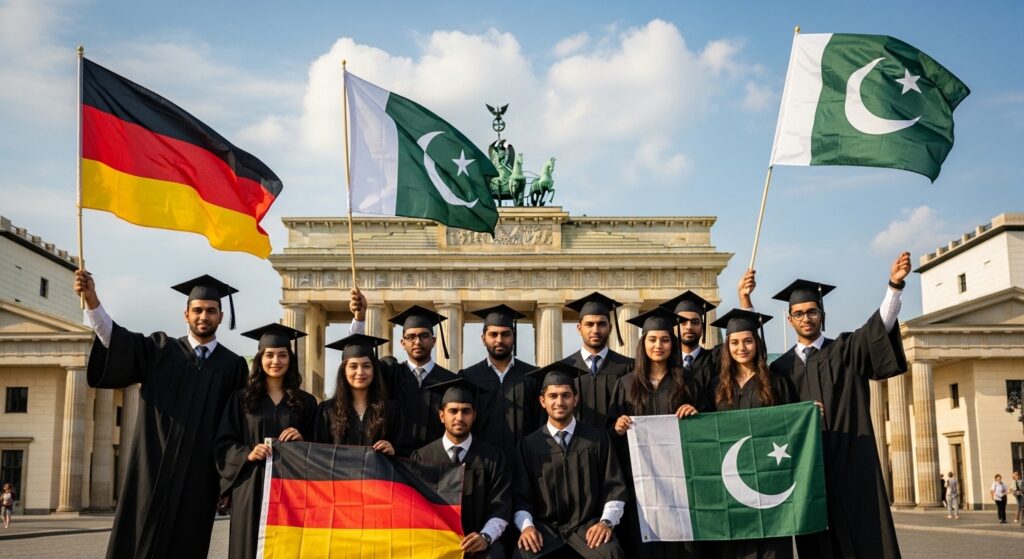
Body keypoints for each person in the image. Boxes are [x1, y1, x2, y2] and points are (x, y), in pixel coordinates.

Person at [74, 271, 248, 559]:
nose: (204, 316)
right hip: (151, 465)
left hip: (199, 475)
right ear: (186, 314)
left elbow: (237, 424)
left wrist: (228, 478)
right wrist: (92, 300)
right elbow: (115, 339)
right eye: (198, 310)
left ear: (220, 316)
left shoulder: (233, 366)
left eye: (211, 311)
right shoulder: (161, 350)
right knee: (137, 538)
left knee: (187, 542)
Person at [768, 252, 911, 559]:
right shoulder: (779, 368)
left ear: (822, 314)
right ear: (789, 318)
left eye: (812, 312)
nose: (806, 318)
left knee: (864, 536)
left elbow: (878, 329)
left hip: (850, 458)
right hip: (806, 469)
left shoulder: (844, 350)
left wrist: (894, 286)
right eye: (799, 313)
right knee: (816, 543)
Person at [215, 323, 318, 559]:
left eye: (282, 355)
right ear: (260, 359)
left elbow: (321, 445)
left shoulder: (306, 402)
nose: (276, 361)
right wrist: (247, 454)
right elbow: (223, 442)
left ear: (290, 360)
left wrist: (303, 439)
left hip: (292, 490)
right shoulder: (241, 400)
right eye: (269, 355)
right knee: (248, 547)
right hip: (251, 486)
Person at [610, 307, 705, 558]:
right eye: (652, 339)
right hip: (641, 480)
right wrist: (617, 427)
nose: (658, 345)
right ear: (643, 344)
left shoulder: (687, 382)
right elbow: (611, 430)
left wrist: (695, 414)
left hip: (679, 480)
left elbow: (706, 429)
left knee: (680, 544)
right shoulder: (627, 384)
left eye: (664, 340)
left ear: (673, 344)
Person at [514, 362, 628, 559]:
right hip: (545, 530)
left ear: (576, 399)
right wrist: (527, 527)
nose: (559, 402)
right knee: (523, 555)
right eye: (553, 396)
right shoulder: (529, 445)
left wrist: (605, 523)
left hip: (588, 528)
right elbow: (520, 497)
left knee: (611, 553)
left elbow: (614, 488)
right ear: (542, 401)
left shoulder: (597, 439)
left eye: (566, 395)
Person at [708, 308, 797, 559]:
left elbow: (790, 425)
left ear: (757, 343)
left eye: (748, 341)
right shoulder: (716, 386)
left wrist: (808, 415)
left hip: (768, 476)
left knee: (772, 543)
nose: (741, 348)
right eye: (734, 342)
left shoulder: (776, 382)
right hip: (731, 481)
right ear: (727, 347)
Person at [412, 378, 512, 558]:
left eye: (466, 411)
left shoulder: (492, 458)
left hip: (479, 544)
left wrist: (485, 536)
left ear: (474, 415)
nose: (459, 417)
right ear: (442, 415)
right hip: (434, 544)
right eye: (453, 411)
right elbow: (415, 508)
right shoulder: (422, 457)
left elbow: (501, 506)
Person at [460, 305, 541, 463]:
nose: (499, 340)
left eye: (505, 334)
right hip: (480, 464)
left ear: (513, 337)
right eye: (493, 334)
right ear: (483, 338)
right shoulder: (468, 377)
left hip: (524, 463)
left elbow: (540, 423)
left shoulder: (532, 377)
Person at [657, 270, 756, 397]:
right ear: (674, 327)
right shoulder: (665, 362)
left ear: (702, 327)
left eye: (695, 322)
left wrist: (744, 298)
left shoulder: (716, 358)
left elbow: (744, 335)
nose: (689, 327)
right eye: (683, 322)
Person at [313, 333, 402, 454]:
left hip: (377, 473)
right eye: (353, 366)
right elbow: (318, 454)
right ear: (344, 371)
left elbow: (404, 452)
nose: (360, 372)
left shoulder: (391, 410)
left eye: (366, 366)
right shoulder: (327, 410)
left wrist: (393, 450)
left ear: (374, 370)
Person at [559, 292, 634, 429]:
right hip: (579, 447)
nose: (595, 330)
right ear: (579, 328)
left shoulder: (629, 366)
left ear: (610, 328)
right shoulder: (564, 368)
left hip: (618, 444)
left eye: (601, 324)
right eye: (589, 324)